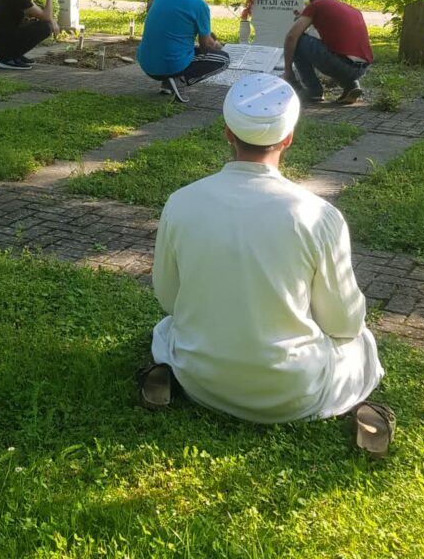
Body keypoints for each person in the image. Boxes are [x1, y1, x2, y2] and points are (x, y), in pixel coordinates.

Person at [141, 73, 392, 450]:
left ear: (228, 133)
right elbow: (344, 323)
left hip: (201, 379)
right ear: (288, 138)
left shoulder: (181, 202)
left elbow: (169, 299)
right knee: (361, 344)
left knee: (166, 329)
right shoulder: (318, 216)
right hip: (293, 392)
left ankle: (171, 374)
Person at [137, 0, 230, 92]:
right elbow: (205, 45)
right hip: (170, 64)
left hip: (146, 63)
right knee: (224, 59)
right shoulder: (199, 4)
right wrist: (218, 45)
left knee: (176, 44)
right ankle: (178, 80)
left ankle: (169, 80)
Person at [284, 0, 373, 106]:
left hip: (339, 65)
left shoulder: (316, 5)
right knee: (337, 51)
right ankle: (351, 86)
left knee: (298, 40)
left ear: (313, 1)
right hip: (361, 68)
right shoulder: (352, 9)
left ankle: (313, 91)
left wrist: (288, 70)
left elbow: (291, 36)